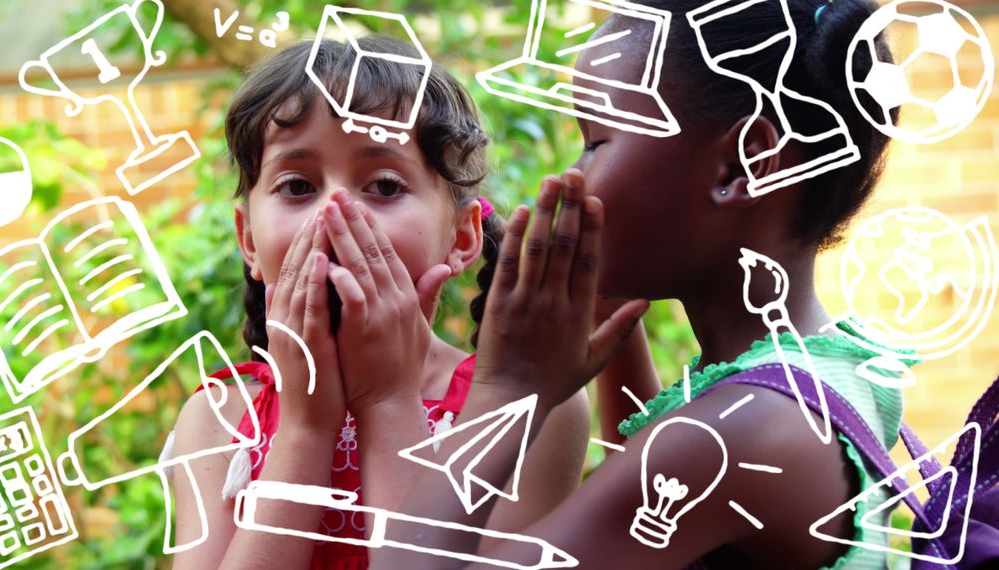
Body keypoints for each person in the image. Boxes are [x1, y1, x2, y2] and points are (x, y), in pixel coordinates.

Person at [371, 0, 910, 567]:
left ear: (743, 164)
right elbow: (648, 477)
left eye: (596, 140)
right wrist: (613, 322)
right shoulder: (824, 364)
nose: (571, 176)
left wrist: (506, 390)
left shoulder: (741, 435)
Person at [166, 35, 643, 570]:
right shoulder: (221, 420)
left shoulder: (523, 409)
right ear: (249, 240)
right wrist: (305, 427)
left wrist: (388, 401)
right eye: (298, 185)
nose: (336, 211)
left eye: (386, 186)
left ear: (462, 238)